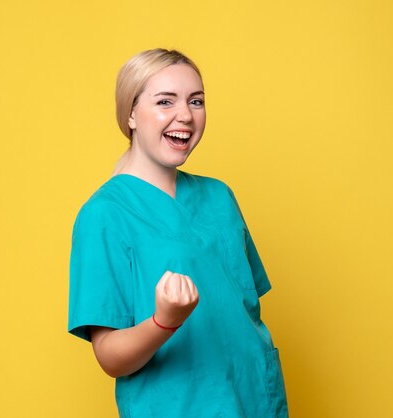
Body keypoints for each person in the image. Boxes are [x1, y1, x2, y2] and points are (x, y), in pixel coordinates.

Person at [68, 48, 288, 418]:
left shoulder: (219, 196)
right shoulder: (105, 214)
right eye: (164, 101)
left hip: (255, 400)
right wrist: (163, 320)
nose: (185, 115)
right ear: (132, 113)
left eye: (196, 101)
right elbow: (110, 357)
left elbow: (240, 314)